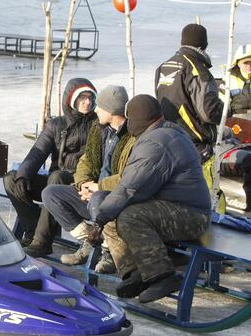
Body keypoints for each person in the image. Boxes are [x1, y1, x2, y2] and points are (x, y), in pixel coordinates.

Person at [90, 95, 211, 303]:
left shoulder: (156, 144)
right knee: (114, 212)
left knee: (129, 216)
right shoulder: (162, 132)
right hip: (170, 205)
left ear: (136, 120)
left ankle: (162, 276)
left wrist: (99, 220)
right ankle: (134, 271)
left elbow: (131, 187)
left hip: (191, 214)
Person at [42, 85, 133, 273]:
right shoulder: (99, 129)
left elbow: (129, 177)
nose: (95, 108)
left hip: (116, 199)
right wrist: (83, 185)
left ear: (112, 109)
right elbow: (86, 161)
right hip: (93, 193)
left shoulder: (132, 136)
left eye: (99, 105)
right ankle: (89, 242)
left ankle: (109, 252)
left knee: (100, 199)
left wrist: (97, 187)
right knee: (51, 194)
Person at [4, 78, 97, 257]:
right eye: (82, 98)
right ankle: (32, 231)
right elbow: (37, 152)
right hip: (54, 184)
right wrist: (23, 175)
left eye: (90, 98)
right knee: (11, 179)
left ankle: (42, 242)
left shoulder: (97, 125)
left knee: (57, 178)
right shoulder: (57, 124)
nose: (87, 102)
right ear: (71, 99)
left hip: (78, 186)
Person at [155, 23, 223, 162]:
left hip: (168, 138)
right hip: (194, 144)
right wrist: (226, 109)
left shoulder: (164, 67)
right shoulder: (198, 71)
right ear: (203, 45)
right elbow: (209, 112)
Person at [222, 44, 251, 115]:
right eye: (245, 63)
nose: (249, 65)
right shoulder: (229, 78)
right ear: (238, 64)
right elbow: (222, 102)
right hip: (236, 119)